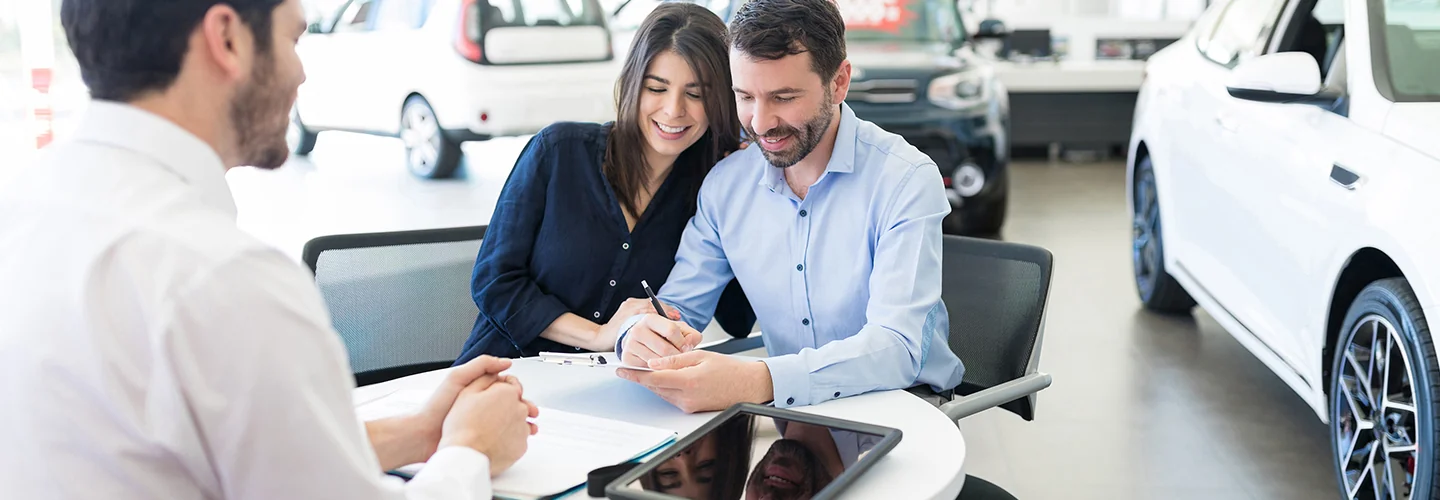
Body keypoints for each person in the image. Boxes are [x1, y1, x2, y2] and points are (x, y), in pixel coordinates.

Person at [0, 1, 537, 498]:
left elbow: (190, 458)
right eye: (292, 39)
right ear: (228, 38)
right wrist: (471, 452)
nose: (301, 72)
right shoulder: (223, 276)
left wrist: (422, 433)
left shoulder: (27, 205)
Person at [613, 0, 966, 413]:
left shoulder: (904, 179)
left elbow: (898, 346)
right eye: (745, 96)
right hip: (790, 412)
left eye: (783, 97)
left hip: (903, 407)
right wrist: (642, 332)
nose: (761, 123)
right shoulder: (726, 186)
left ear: (839, 82)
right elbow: (679, 309)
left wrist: (759, 379)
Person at [456, 3, 754, 363]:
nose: (674, 110)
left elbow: (738, 320)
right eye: (656, 88)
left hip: (614, 394)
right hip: (505, 374)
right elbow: (494, 282)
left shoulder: (708, 191)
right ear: (631, 84)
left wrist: (745, 193)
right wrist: (600, 335)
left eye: (696, 94)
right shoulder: (559, 152)